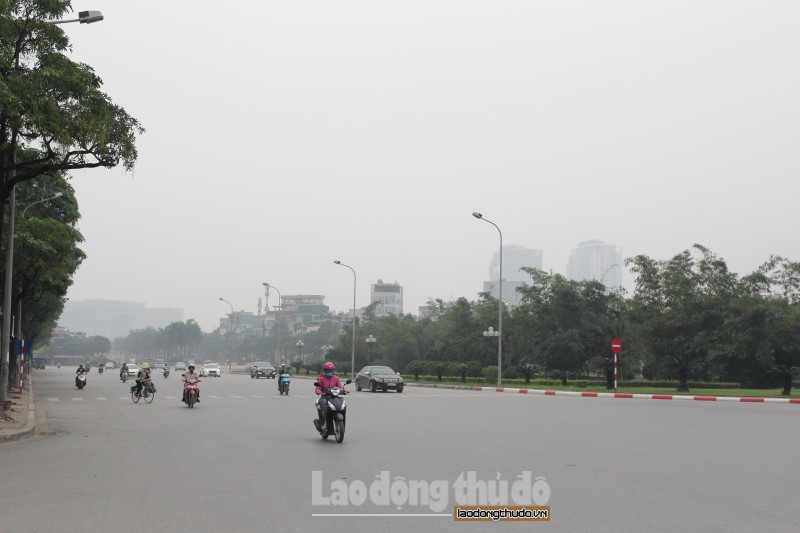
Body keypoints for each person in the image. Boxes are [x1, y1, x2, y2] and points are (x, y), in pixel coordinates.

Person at [314, 362, 346, 434]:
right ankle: (324, 424)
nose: (329, 372)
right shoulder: (321, 379)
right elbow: (318, 388)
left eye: (331, 370)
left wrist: (343, 391)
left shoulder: (336, 378)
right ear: (325, 370)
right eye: (328, 370)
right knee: (325, 405)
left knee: (342, 403)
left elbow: (340, 387)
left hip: (334, 397)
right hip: (324, 397)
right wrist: (319, 391)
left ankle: (342, 423)